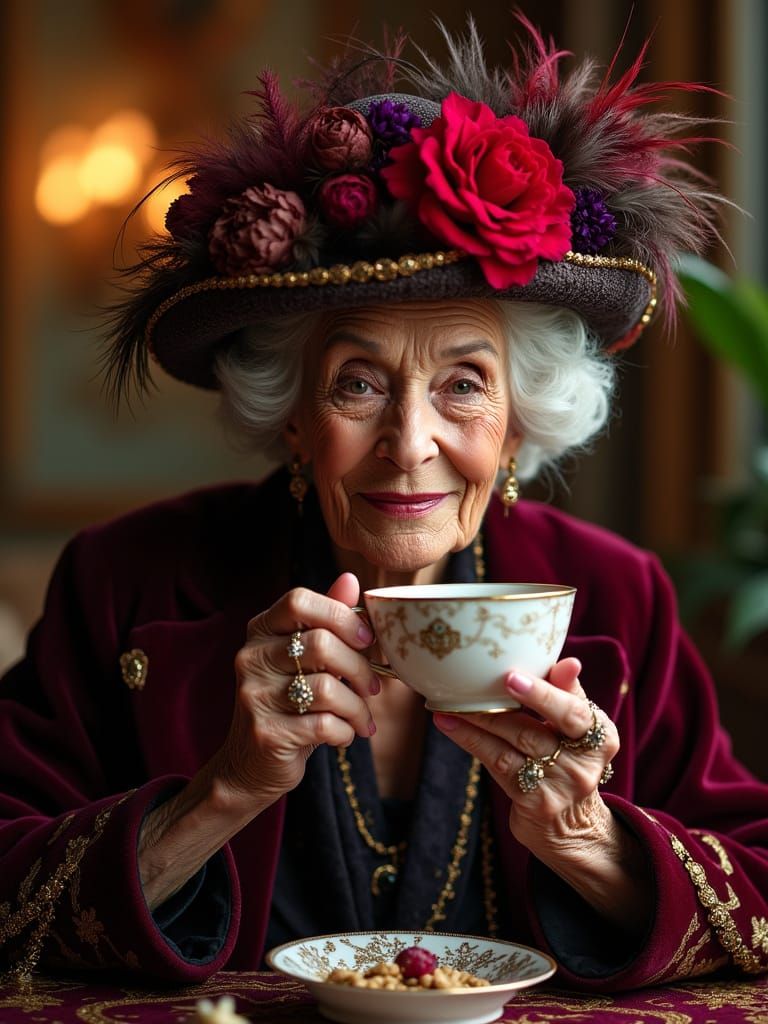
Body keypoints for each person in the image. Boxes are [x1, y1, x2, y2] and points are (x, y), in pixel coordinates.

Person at [1, 15, 767, 993]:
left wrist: (584, 836)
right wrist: (218, 795)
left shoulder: (620, 598)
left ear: (519, 424)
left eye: (463, 384)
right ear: (290, 417)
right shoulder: (125, 582)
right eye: (358, 383)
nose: (411, 444)